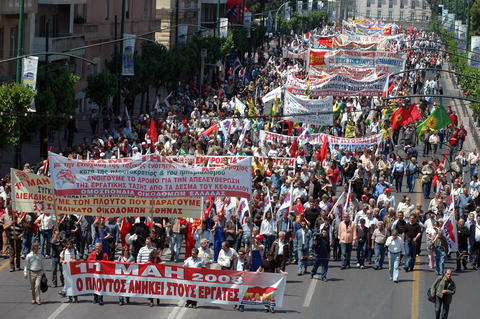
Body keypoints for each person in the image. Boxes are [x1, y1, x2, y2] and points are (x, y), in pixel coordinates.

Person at [59, 238, 80, 303]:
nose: (69, 245)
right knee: (68, 284)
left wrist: (75, 261)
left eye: (70, 244)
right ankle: (69, 298)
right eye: (68, 244)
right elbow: (60, 260)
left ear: (72, 245)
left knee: (74, 284)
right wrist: (63, 261)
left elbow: (79, 260)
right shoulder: (64, 252)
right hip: (66, 270)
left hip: (74, 271)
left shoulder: (75, 251)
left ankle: (75, 297)